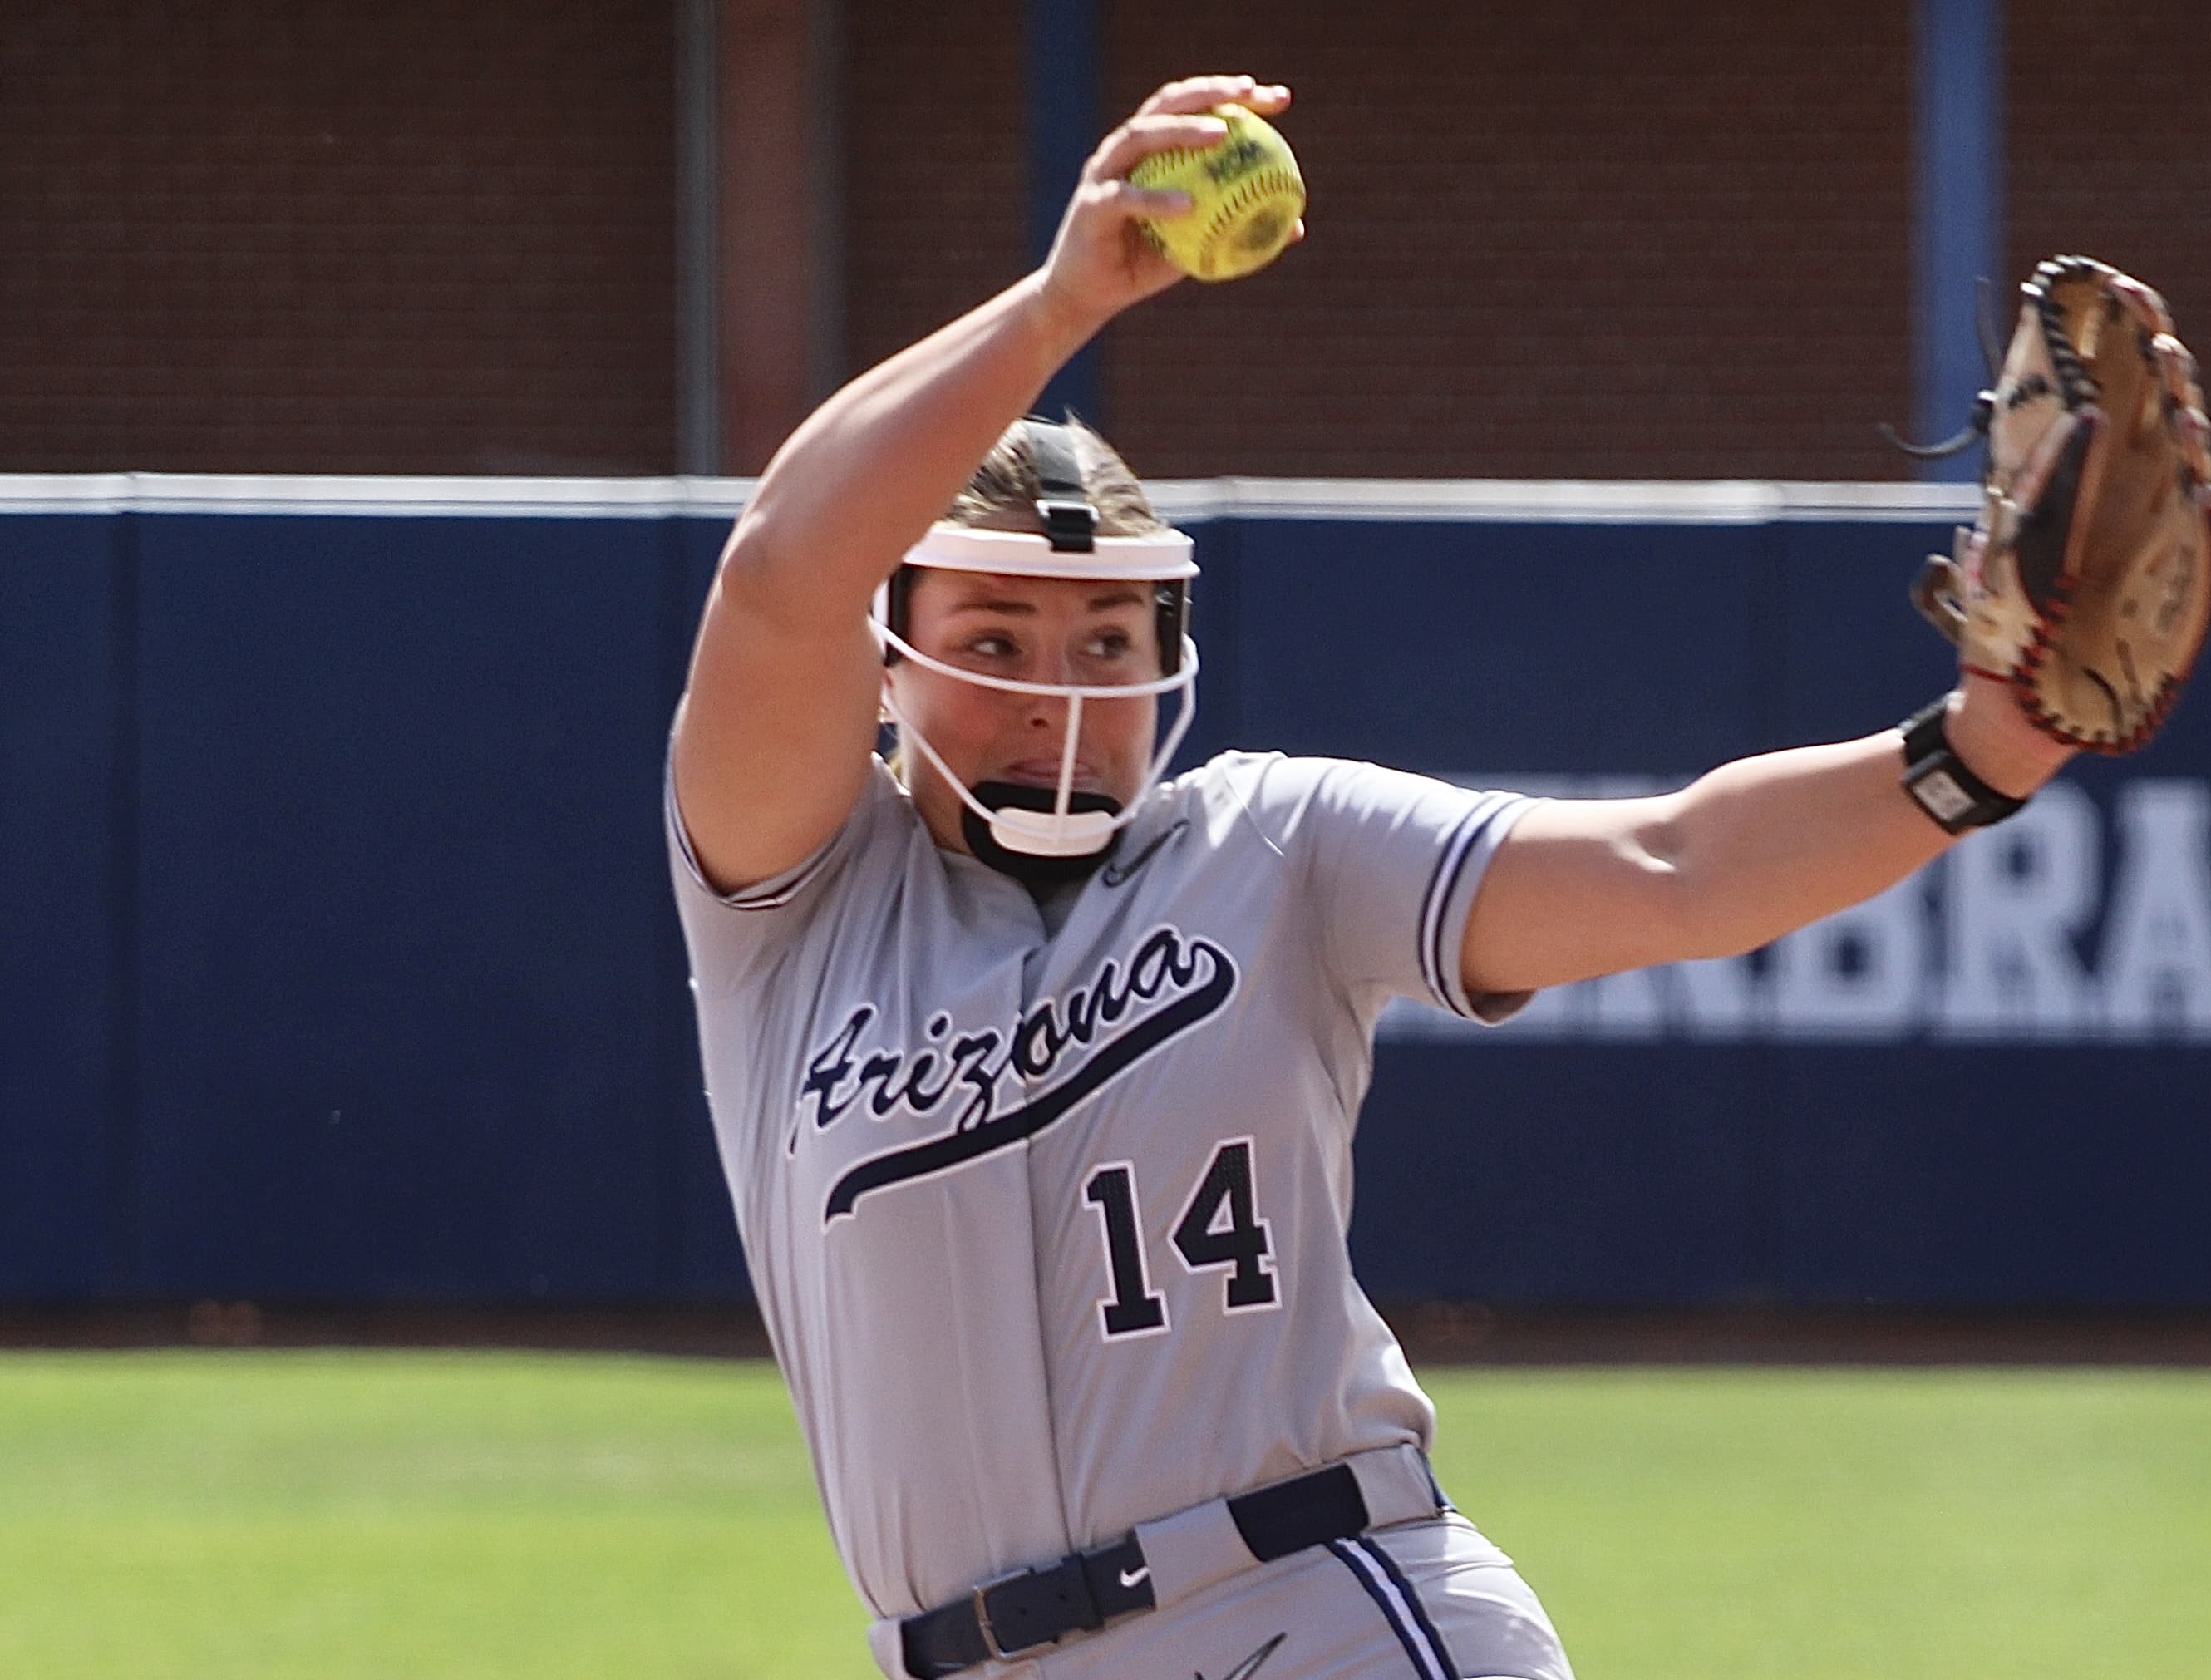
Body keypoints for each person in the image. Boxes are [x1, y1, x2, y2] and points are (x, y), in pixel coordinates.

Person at [668, 75, 2076, 1680]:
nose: (1059, 689)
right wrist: (1063, 304)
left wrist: (1972, 754)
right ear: (896, 662)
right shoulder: (789, 909)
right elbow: (783, 568)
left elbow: (1672, 863)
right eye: (995, 639)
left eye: (1105, 639)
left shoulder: (1273, 842)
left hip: (1322, 1608)